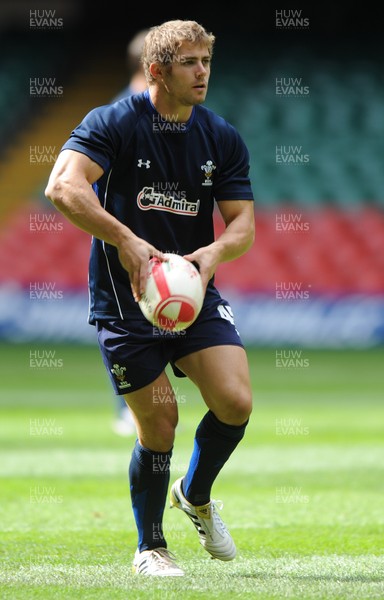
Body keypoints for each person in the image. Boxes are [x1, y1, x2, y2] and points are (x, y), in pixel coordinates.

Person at [45, 19, 255, 577]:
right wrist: (127, 241)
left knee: (235, 402)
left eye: (206, 61)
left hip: (192, 289)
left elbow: (243, 226)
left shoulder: (221, 136)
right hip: (125, 299)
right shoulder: (112, 122)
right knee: (159, 423)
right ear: (157, 70)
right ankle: (150, 548)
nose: (203, 72)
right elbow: (63, 186)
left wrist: (212, 255)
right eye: (190, 63)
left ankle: (196, 493)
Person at [110, 29, 149, 436]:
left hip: (160, 236)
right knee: (126, 319)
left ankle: (136, 408)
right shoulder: (119, 114)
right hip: (130, 238)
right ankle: (129, 406)